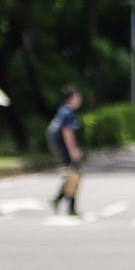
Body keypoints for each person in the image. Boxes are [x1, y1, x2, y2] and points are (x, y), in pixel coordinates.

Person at [48, 85, 84, 215]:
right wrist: (73, 151)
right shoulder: (68, 113)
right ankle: (66, 205)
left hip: (65, 150)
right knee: (74, 178)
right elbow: (67, 132)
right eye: (77, 96)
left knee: (73, 177)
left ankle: (60, 201)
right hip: (67, 151)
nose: (79, 99)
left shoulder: (63, 111)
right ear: (71, 98)